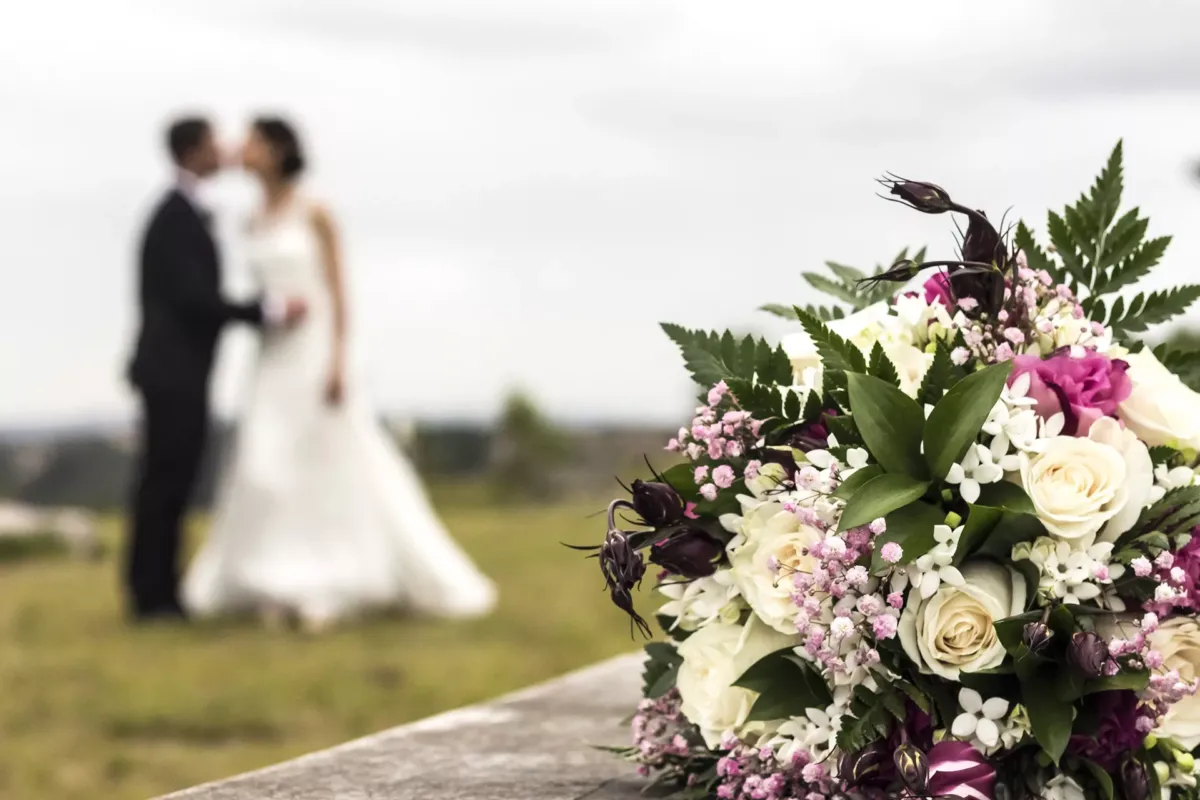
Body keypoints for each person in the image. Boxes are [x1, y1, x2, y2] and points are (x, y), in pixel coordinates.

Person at [181, 117, 497, 631]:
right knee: (264, 466)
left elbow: (338, 293)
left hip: (314, 352)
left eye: (257, 140)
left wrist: (338, 361)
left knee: (324, 460)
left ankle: (328, 579)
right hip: (271, 358)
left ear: (281, 148)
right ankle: (271, 577)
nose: (247, 148)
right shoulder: (250, 218)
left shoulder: (316, 212)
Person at [126, 117, 308, 622]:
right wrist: (265, 311)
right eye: (213, 144)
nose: (225, 150)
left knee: (171, 481)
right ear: (191, 152)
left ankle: (159, 589)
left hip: (180, 370)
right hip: (171, 372)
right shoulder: (173, 217)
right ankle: (152, 596)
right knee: (165, 482)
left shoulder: (188, 213)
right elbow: (193, 301)